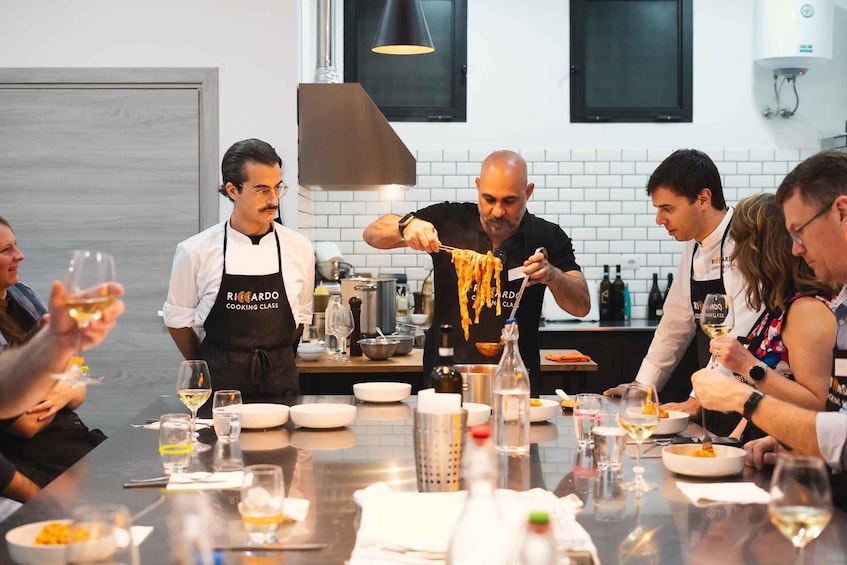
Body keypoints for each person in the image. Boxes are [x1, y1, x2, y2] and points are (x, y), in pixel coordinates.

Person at [363, 150, 590, 395]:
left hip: (515, 380)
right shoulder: (447, 220)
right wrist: (407, 225)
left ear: (528, 192)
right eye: (489, 199)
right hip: (447, 377)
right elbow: (372, 234)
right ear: (478, 187)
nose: (497, 211)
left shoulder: (548, 237)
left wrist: (552, 275)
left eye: (509, 201)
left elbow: (581, 306)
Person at [691, 151, 847, 506]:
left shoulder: (808, 310)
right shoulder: (791, 308)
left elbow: (820, 405)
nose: (797, 248)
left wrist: (745, 376)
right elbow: (838, 421)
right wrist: (785, 442)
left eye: (800, 231)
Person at [603, 149, 763, 437]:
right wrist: (643, 387)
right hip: (712, 394)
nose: (659, 219)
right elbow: (674, 324)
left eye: (667, 208)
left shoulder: (744, 241)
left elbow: (741, 331)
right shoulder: (693, 245)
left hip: (752, 400)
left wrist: (695, 400)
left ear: (703, 199)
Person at [163, 139, 314, 405]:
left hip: (281, 384)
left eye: (278, 188)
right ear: (233, 190)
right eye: (261, 190)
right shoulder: (195, 251)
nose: (273, 200)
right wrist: (213, 364)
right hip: (220, 386)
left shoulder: (299, 248)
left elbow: (300, 317)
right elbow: (177, 321)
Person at [706, 193, 836, 442]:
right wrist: (731, 443)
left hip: (793, 461)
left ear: (758, 249)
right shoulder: (780, 306)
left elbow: (820, 405)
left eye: (739, 243)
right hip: (763, 448)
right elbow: (768, 394)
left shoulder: (805, 311)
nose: (735, 257)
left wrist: (747, 366)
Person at [0, 217, 107, 487]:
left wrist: (65, 389)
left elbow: (78, 381)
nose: (19, 256)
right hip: (29, 459)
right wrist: (63, 387)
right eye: (6, 250)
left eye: (16, 246)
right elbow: (25, 425)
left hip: (73, 439)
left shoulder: (24, 297)